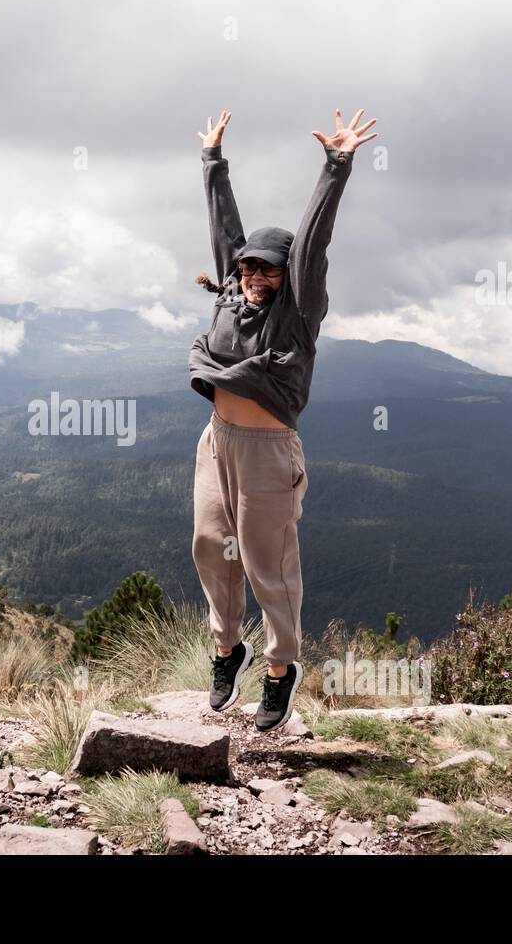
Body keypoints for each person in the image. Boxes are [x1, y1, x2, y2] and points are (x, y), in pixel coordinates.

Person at [188, 107, 376, 730]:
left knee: (269, 566)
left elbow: (313, 243)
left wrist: (336, 165)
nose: (253, 275)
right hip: (216, 442)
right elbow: (227, 231)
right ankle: (227, 651)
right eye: (247, 266)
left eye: (268, 267)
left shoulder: (297, 313)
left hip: (269, 452)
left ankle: (280, 668)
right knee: (212, 549)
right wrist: (213, 161)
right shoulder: (230, 293)